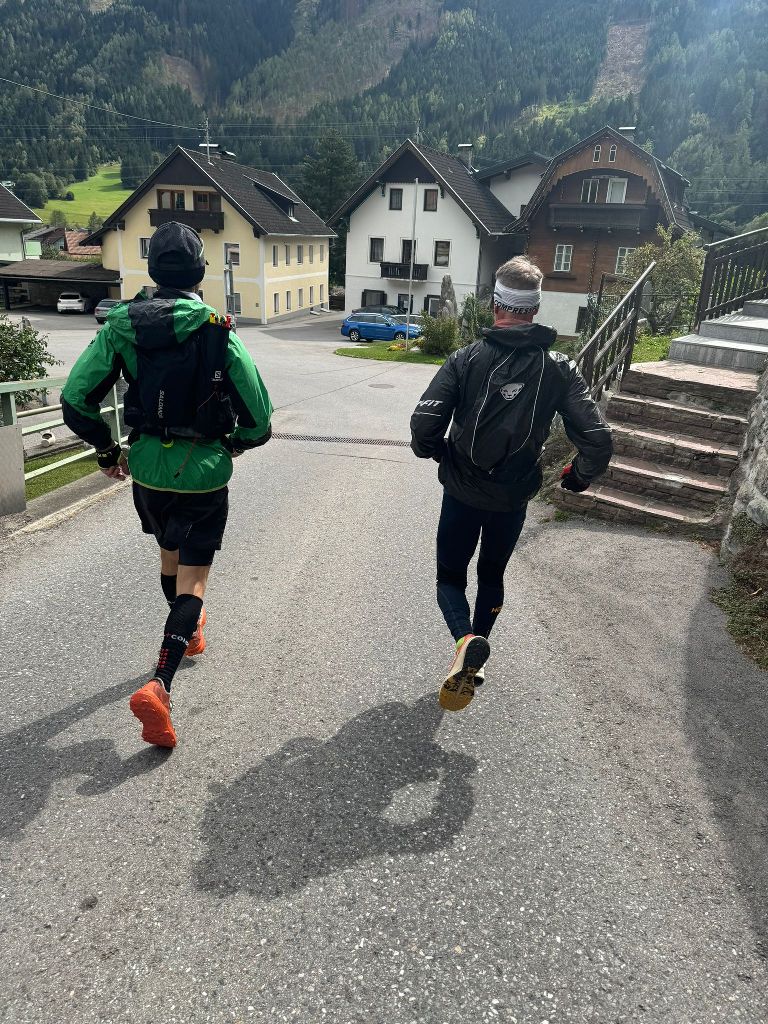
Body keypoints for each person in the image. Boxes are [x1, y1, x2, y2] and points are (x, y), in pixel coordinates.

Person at [62, 222, 272, 748]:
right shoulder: (217, 330)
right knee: (194, 581)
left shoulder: (120, 326)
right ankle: (161, 681)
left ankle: (188, 629)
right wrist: (236, 444)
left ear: (153, 270)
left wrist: (107, 450)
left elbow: (76, 398)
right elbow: (259, 416)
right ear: (200, 273)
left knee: (169, 555)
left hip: (148, 468)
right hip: (203, 472)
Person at [410, 256, 613, 713]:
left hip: (462, 491)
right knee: (492, 575)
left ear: (495, 304)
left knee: (449, 577)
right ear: (535, 309)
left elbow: (424, 424)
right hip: (513, 495)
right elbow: (597, 438)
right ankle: (477, 650)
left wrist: (436, 452)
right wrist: (578, 477)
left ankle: (465, 641)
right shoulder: (559, 367)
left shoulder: (466, 358)